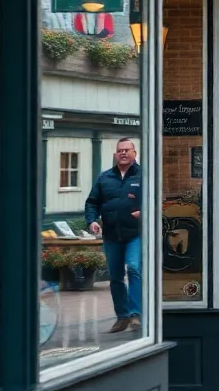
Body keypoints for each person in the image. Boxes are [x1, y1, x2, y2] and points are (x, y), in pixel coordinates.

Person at [85, 138, 142, 333]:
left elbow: (158, 200)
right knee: (116, 276)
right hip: (111, 234)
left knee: (134, 268)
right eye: (120, 151)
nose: (123, 153)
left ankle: (136, 314)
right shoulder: (105, 178)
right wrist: (92, 220)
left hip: (136, 233)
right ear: (115, 155)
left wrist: (145, 212)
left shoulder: (144, 176)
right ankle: (122, 316)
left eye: (127, 150)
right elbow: (92, 202)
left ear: (135, 153)